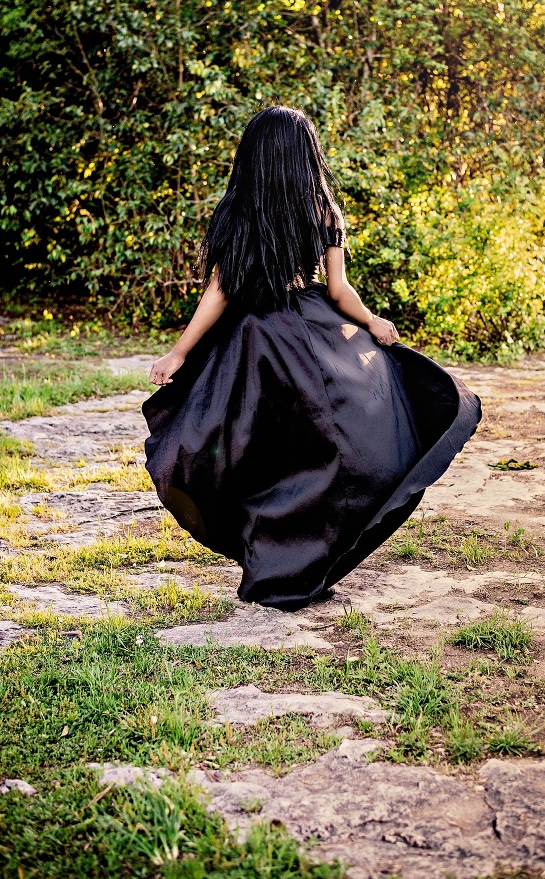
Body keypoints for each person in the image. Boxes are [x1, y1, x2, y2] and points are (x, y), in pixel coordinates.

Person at [143, 105, 481, 610]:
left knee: (252, 454)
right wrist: (370, 323)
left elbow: (220, 290)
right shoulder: (321, 210)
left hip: (252, 344)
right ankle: (299, 559)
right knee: (323, 451)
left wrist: (180, 351)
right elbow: (338, 290)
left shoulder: (238, 210)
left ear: (253, 157)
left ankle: (270, 559)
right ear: (306, 157)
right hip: (306, 338)